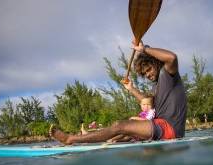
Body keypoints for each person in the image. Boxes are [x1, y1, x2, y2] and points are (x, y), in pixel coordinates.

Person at [50, 40, 187, 144]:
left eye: (149, 69)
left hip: (169, 129)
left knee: (119, 126)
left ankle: (70, 139)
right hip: (160, 127)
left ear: (156, 62)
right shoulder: (156, 86)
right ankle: (86, 139)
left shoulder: (168, 72)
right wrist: (131, 89)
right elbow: (146, 103)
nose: (148, 75)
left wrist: (144, 49)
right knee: (124, 132)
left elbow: (172, 57)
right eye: (144, 73)